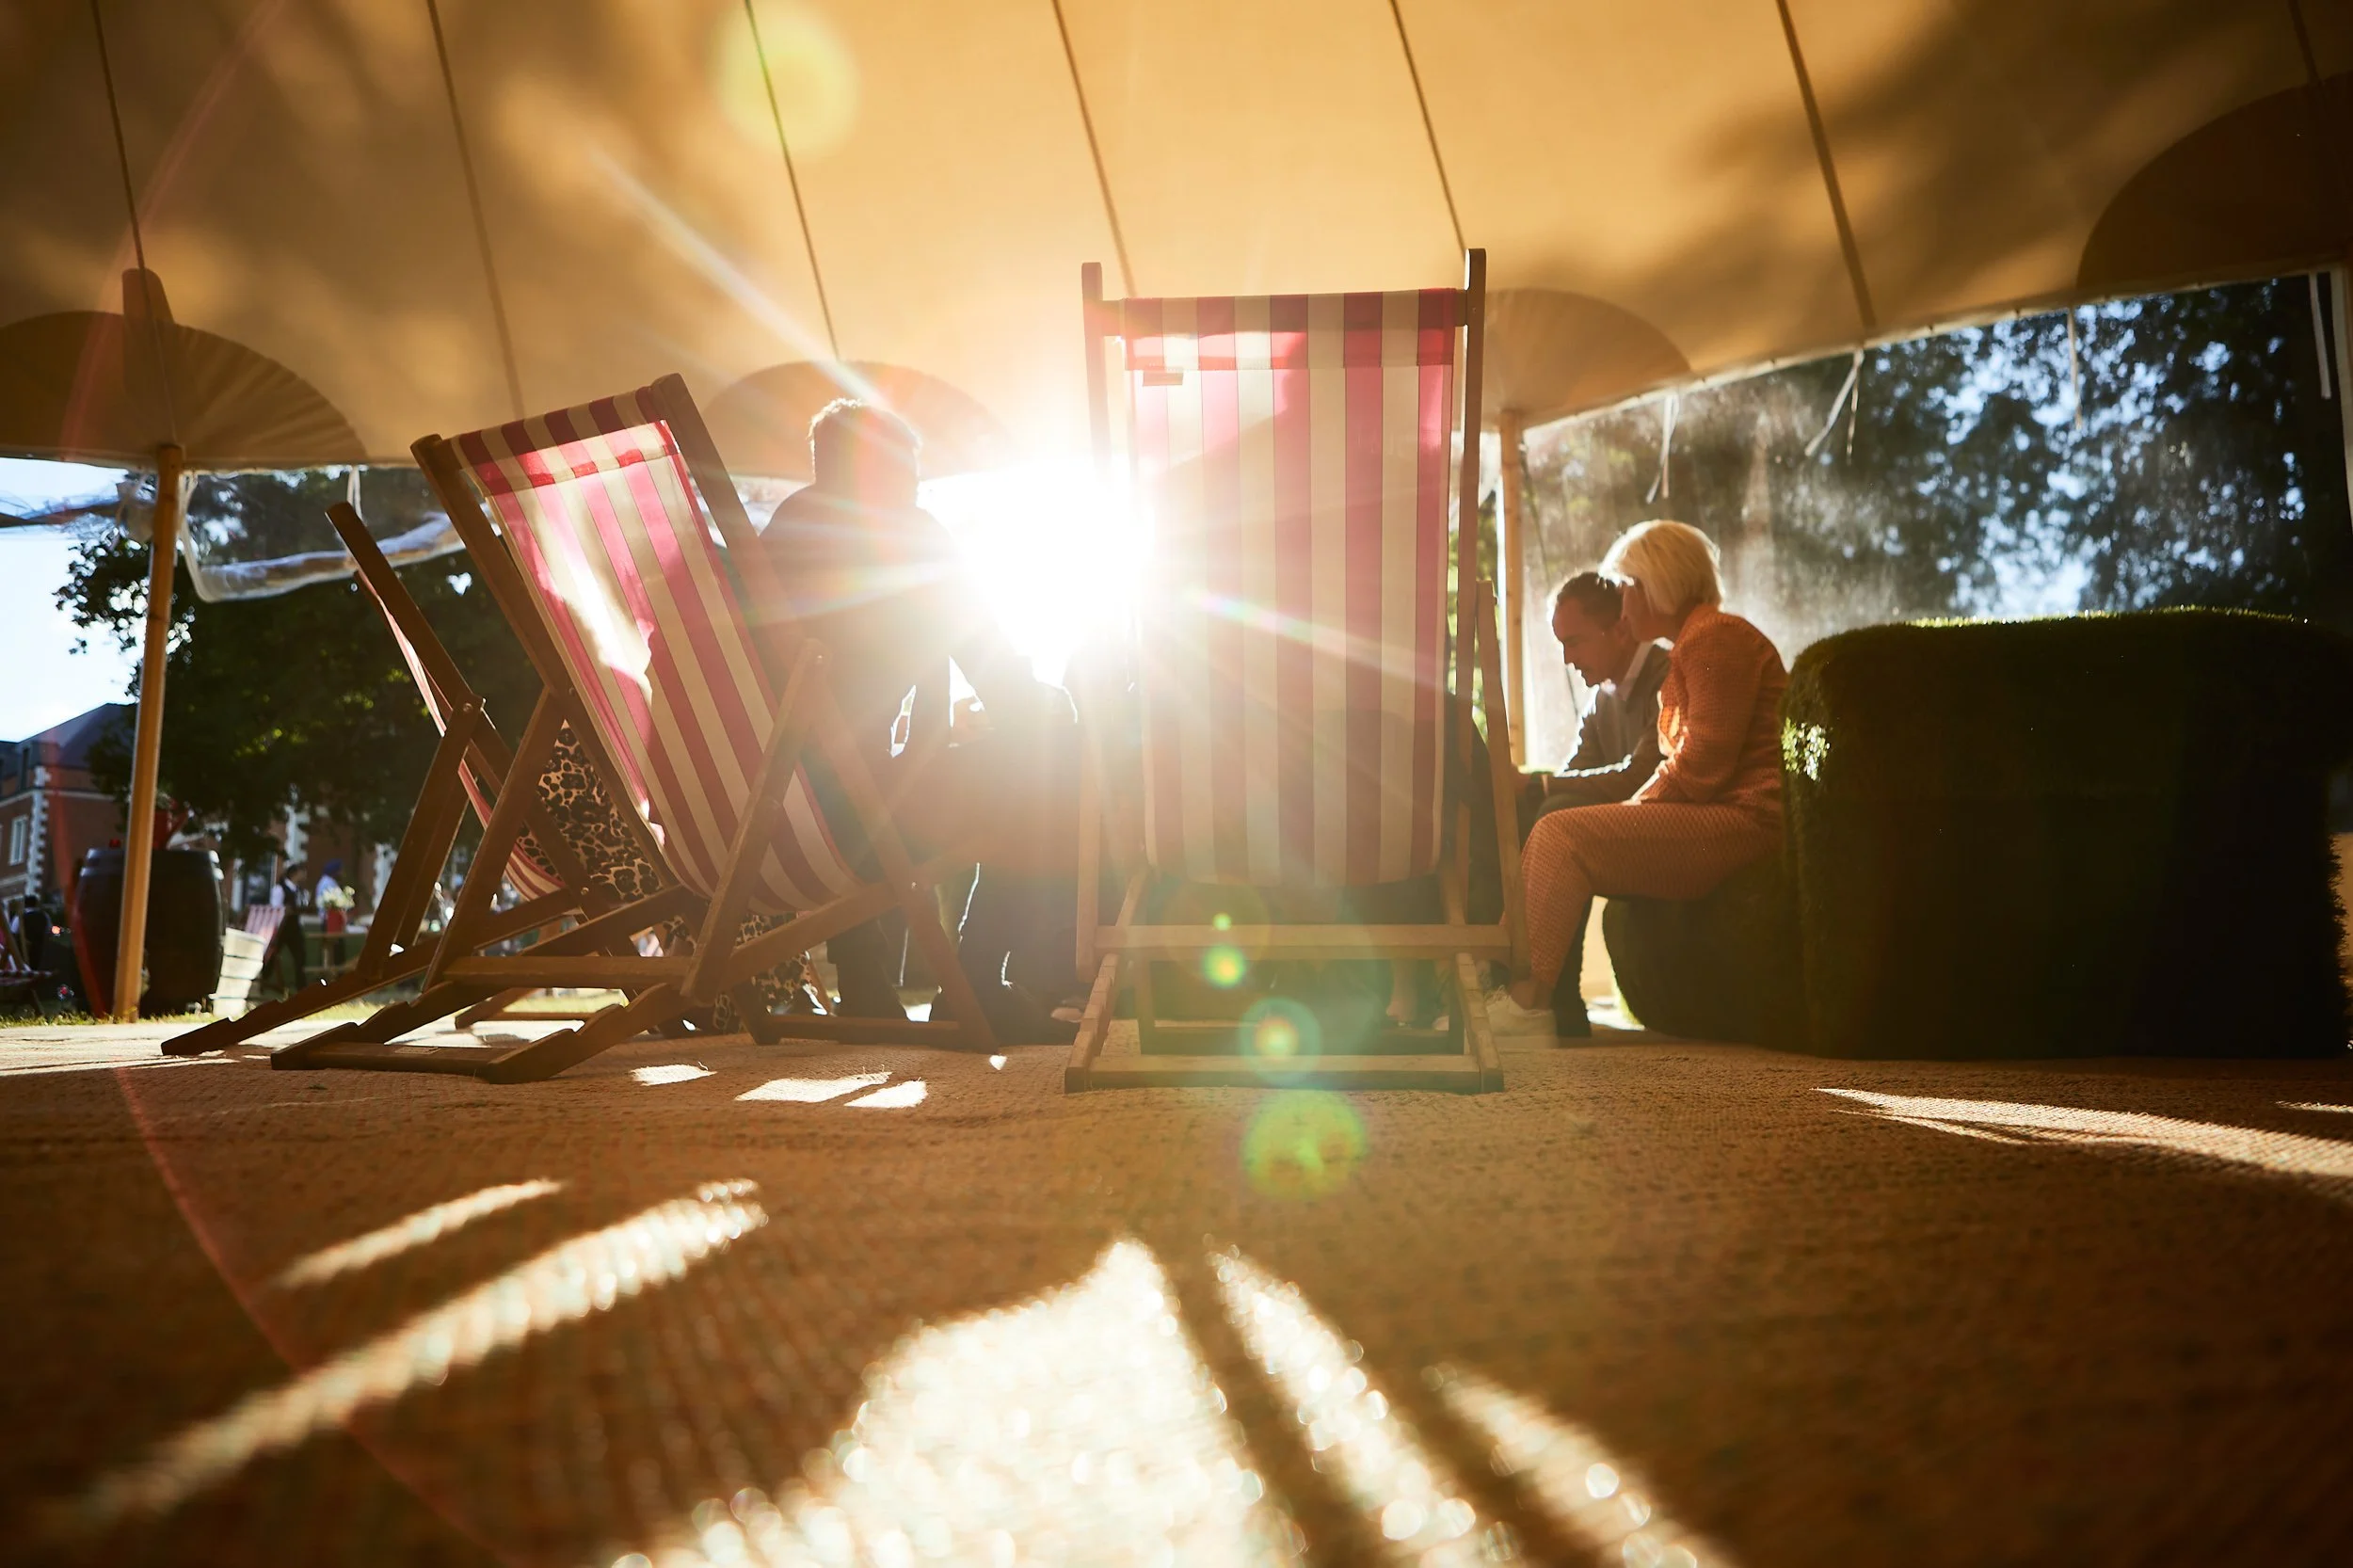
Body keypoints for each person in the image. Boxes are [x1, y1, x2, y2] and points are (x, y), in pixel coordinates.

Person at [759, 400, 1080, 1038]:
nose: (913, 489)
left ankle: (864, 982)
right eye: (904, 473)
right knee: (1050, 756)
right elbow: (992, 664)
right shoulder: (904, 535)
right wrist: (1052, 711)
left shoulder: (771, 544)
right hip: (860, 816)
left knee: (856, 764)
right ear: (872, 473)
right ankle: (976, 980)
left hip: (765, 824)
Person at [1496, 520, 1787, 1036]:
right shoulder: (1698, 642)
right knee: (1559, 829)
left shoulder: (1715, 639)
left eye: (1627, 588)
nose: (1623, 607)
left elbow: (1702, 767)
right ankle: (1521, 995)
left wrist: (1631, 811)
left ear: (1659, 584)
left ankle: (1527, 1005)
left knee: (1562, 832)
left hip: (1746, 821)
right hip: (1724, 818)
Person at [1527, 571, 1670, 821]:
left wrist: (1541, 784)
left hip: (1663, 824)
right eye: (1562, 646)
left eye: (1574, 643)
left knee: (1557, 809)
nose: (1567, 660)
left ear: (1621, 631)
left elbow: (1641, 776)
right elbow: (1574, 772)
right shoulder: (1601, 699)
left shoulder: (1666, 678)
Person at [268, 857, 307, 992]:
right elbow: (275, 908)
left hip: (294, 928)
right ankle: (264, 980)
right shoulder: (280, 889)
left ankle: (301, 987)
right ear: (295, 873)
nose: (304, 875)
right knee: (272, 954)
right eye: (302, 872)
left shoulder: (299, 890)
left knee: (300, 956)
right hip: (282, 928)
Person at [314, 859, 354, 975]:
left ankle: (333, 972)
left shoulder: (328, 882)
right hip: (330, 921)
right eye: (340, 870)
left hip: (332, 920)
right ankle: (336, 973)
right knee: (334, 948)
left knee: (332, 948)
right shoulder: (328, 883)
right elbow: (332, 903)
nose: (342, 873)